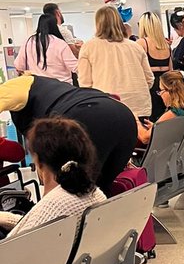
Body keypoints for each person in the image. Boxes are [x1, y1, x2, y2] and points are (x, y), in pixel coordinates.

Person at [0, 74, 138, 195]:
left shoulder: (17, 85)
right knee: (100, 191)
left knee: (64, 193)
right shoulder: (53, 87)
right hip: (124, 116)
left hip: (85, 118)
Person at [77, 8, 154, 119]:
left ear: (98, 23)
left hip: (107, 107)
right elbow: (149, 79)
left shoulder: (88, 47)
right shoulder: (135, 46)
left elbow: (85, 83)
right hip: (139, 106)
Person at [15, 12, 79, 83]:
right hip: (61, 87)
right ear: (55, 26)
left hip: (38, 87)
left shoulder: (28, 42)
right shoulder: (60, 43)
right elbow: (75, 67)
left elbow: (19, 65)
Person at [137, 12, 173, 120]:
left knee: (151, 120)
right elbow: (171, 69)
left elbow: (138, 69)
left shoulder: (141, 43)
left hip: (150, 86)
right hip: (166, 85)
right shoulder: (166, 45)